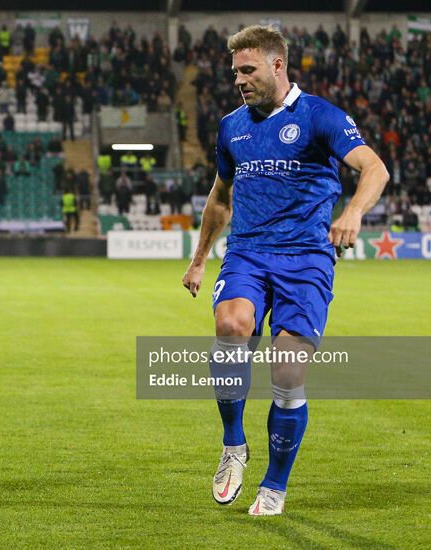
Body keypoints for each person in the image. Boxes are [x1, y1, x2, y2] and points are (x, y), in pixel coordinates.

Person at [182, 26, 387, 516]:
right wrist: (199, 257)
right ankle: (234, 445)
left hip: (306, 259)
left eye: (247, 70)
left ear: (278, 65)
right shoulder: (232, 126)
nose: (239, 80)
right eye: (235, 72)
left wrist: (354, 211)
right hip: (248, 252)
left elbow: (374, 168)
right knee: (231, 327)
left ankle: (274, 484)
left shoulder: (319, 116)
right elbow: (221, 196)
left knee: (287, 371)